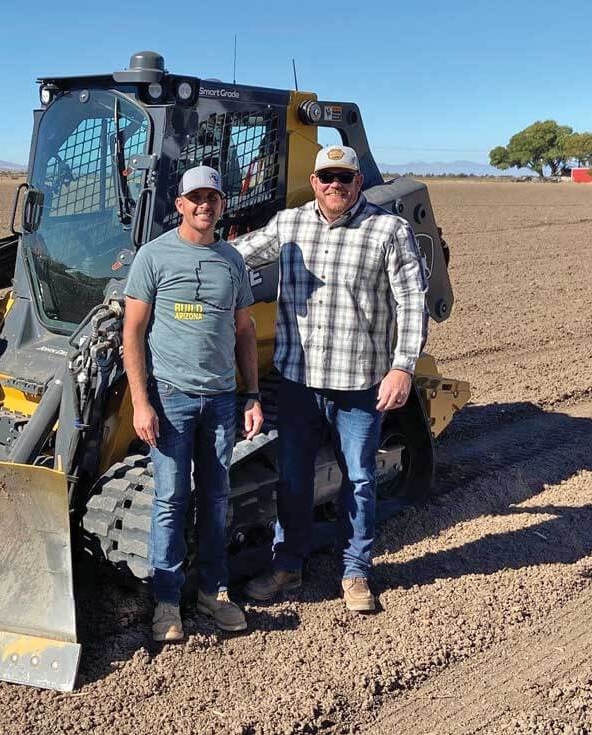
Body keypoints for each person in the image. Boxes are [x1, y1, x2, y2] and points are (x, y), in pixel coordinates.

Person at [232, 145, 428, 612]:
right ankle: (288, 565)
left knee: (358, 478)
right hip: (298, 382)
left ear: (358, 182)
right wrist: (175, 257)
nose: (335, 185)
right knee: (294, 478)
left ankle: (356, 572)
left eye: (345, 177)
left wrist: (403, 367)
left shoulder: (388, 230)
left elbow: (413, 303)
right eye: (327, 177)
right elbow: (236, 256)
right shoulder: (289, 223)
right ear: (314, 181)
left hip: (360, 384)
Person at [122, 165, 264, 642]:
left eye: (213, 197)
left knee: (216, 497)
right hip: (171, 400)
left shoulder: (231, 260)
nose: (205, 204)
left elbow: (244, 331)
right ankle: (166, 601)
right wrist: (141, 403)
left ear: (223, 204)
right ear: (180, 204)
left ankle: (213, 591)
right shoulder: (154, 256)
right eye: (195, 197)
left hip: (222, 401)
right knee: (170, 500)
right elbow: (133, 333)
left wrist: (252, 394)